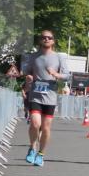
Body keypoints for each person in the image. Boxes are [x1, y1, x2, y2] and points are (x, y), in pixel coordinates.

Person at [22, 31, 69, 167]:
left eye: (49, 38)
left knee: (46, 127)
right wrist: (29, 77)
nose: (47, 39)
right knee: (35, 124)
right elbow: (27, 72)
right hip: (35, 95)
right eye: (44, 37)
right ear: (40, 40)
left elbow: (67, 75)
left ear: (53, 41)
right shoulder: (33, 57)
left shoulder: (59, 57)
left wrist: (56, 74)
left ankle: (41, 154)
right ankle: (32, 148)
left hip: (50, 96)